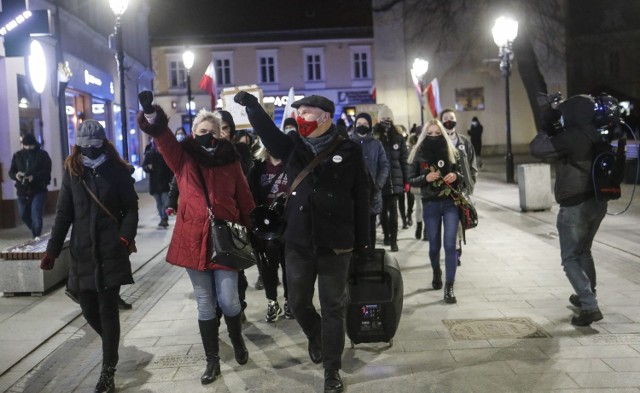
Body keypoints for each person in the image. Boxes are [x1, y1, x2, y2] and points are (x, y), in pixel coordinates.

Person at [235, 91, 370, 393]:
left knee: (333, 305)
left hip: (336, 242)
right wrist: (254, 108)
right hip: (298, 240)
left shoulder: (349, 150)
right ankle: (315, 335)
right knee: (297, 301)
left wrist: (364, 246)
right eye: (299, 112)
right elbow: (270, 136)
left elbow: (362, 198)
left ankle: (332, 370)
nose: (300, 117)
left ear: (325, 116)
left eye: (307, 112)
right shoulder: (294, 147)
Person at [137, 106, 255, 384]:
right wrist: (153, 116)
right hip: (193, 239)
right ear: (193, 134)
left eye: (213, 132)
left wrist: (255, 234)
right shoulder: (183, 158)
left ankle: (237, 339)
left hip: (225, 240)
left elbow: (245, 198)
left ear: (221, 135)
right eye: (202, 132)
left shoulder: (231, 161)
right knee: (204, 303)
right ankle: (212, 361)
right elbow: (163, 138)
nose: (208, 136)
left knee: (229, 299)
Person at [39, 120, 138, 393]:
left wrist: (124, 236)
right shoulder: (73, 170)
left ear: (103, 143)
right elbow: (63, 214)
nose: (90, 150)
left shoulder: (117, 170)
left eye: (94, 145)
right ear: (78, 144)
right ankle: (112, 346)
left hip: (110, 248)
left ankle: (107, 371)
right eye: (85, 146)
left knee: (107, 308)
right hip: (82, 250)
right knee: (87, 306)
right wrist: (52, 250)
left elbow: (130, 208)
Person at [530, 94, 607, 326]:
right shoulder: (594, 133)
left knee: (570, 258)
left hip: (575, 205)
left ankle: (590, 306)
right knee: (584, 251)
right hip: (598, 203)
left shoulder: (572, 137)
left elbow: (537, 149)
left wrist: (546, 128)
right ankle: (587, 295)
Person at [408, 120, 463, 303]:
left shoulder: (451, 151)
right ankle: (436, 271)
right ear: (424, 134)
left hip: (450, 203)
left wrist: (455, 176)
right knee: (434, 246)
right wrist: (426, 177)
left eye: (437, 133)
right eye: (429, 133)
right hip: (430, 203)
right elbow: (410, 179)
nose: (433, 136)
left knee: (449, 245)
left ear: (443, 134)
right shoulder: (418, 152)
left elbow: (461, 175)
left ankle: (449, 286)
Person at [247, 144, 293, 322]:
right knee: (267, 268)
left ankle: (289, 300)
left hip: (288, 224)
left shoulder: (291, 165)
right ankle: (272, 301)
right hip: (265, 226)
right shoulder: (257, 167)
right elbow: (250, 194)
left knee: (289, 266)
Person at [440, 108, 478, 264]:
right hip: (444, 190)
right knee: (449, 222)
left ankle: (457, 247)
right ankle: (452, 249)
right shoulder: (438, 142)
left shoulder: (464, 142)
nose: (449, 120)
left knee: (458, 221)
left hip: (461, 190)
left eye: (452, 117)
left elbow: (472, 164)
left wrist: (471, 182)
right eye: (446, 118)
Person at [373, 105, 409, 252]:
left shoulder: (398, 138)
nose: (386, 121)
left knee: (393, 212)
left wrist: (407, 180)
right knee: (382, 212)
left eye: (388, 118)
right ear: (379, 120)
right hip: (380, 182)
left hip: (395, 181)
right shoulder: (375, 137)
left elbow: (404, 160)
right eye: (383, 118)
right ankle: (387, 235)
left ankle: (394, 240)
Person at [351, 112, 389, 248]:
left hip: (372, 192)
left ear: (370, 126)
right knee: (355, 228)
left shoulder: (376, 144)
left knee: (370, 227)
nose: (362, 126)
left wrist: (378, 184)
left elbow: (384, 165)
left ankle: (370, 255)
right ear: (355, 125)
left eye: (365, 124)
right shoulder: (348, 143)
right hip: (353, 193)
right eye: (359, 124)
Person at [9, 133, 52, 240]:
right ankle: (35, 231)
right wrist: (16, 176)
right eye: (25, 146)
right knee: (23, 214)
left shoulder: (42, 155)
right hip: (22, 189)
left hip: (39, 189)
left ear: (34, 144)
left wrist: (34, 177)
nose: (28, 148)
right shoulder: (17, 155)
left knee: (36, 214)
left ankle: (36, 238)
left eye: (30, 146)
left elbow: (47, 171)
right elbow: (11, 171)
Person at [142, 139, 174, 228]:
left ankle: (164, 218)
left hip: (164, 182)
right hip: (154, 183)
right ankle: (162, 217)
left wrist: (172, 180)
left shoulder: (166, 154)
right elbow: (144, 165)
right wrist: (148, 168)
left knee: (164, 202)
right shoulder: (149, 154)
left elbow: (170, 168)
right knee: (159, 203)